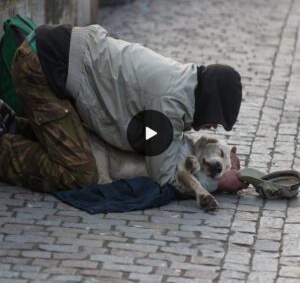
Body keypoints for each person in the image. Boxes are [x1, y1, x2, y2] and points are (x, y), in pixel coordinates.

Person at [0, 24, 246, 193]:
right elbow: (164, 177)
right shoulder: (169, 104)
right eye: (216, 118)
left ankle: (12, 124)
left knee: (75, 144)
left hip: (52, 58)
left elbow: (154, 138)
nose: (212, 126)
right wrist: (217, 183)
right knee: (80, 174)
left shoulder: (184, 83)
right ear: (210, 101)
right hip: (41, 68)